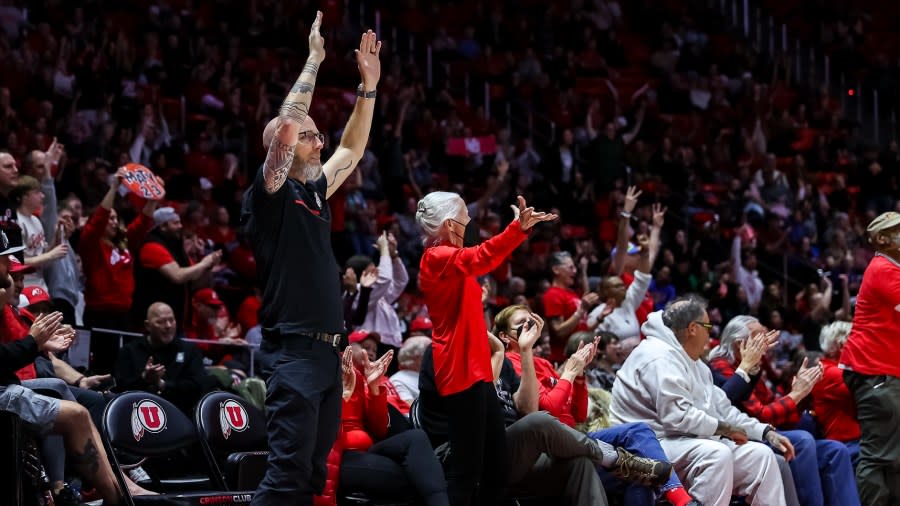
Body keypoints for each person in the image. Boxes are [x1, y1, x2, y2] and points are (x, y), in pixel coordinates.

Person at [242, 12, 382, 505]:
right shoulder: (270, 194)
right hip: (294, 355)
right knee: (283, 481)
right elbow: (286, 125)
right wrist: (315, 60)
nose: (318, 140)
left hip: (326, 355)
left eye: (317, 135)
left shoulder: (316, 190)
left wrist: (368, 88)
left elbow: (351, 147)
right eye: (309, 135)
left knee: (309, 481)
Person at [415, 190, 556, 505]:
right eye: (466, 214)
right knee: (468, 468)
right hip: (459, 367)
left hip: (474, 365)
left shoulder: (448, 257)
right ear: (452, 224)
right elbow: (482, 257)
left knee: (496, 464)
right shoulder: (437, 257)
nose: (470, 219)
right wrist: (516, 229)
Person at [494, 305, 696, 506]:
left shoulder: (543, 363)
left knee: (641, 467)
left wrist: (580, 376)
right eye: (521, 323)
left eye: (531, 320)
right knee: (635, 445)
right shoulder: (513, 361)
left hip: (572, 436)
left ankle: (677, 496)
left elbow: (578, 414)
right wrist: (569, 374)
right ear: (504, 336)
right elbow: (548, 411)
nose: (529, 325)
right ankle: (678, 497)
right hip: (551, 444)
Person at [611, 295, 792, 506]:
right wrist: (724, 429)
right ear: (693, 328)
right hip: (643, 446)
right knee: (717, 454)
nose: (711, 333)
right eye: (708, 326)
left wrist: (764, 432)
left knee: (760, 456)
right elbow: (677, 417)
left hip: (678, 441)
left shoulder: (694, 362)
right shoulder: (657, 357)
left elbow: (722, 408)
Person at [709, 315, 859, 506]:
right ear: (740, 344)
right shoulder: (721, 366)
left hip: (766, 431)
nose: (769, 344)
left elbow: (776, 409)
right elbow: (761, 415)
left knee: (835, 451)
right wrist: (795, 396)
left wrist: (801, 394)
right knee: (803, 440)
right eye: (762, 338)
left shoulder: (755, 366)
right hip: (743, 438)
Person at [839, 211, 900, 505]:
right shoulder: (883, 269)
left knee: (893, 455)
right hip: (874, 371)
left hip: (883, 370)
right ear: (883, 239)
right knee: (878, 457)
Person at [113, 302, 217, 415]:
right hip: (137, 413)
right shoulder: (129, 351)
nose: (168, 326)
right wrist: (144, 379)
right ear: (148, 325)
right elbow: (120, 388)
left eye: (171, 320)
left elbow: (197, 385)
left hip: (181, 414)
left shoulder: (190, 350)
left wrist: (162, 384)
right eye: (160, 322)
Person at [132, 206, 221, 328]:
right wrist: (204, 263)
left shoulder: (176, 247)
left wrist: (208, 266)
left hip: (177, 320)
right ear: (163, 226)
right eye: (175, 223)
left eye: (180, 222)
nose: (180, 226)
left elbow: (193, 276)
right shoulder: (152, 247)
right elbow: (178, 276)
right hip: (156, 322)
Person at [811, 321, 859, 464]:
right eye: (856, 341)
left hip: (856, 440)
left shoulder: (832, 369)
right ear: (840, 345)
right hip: (848, 443)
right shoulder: (831, 373)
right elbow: (870, 393)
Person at [389, 335, 431, 406]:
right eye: (430, 353)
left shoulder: (430, 377)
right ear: (418, 357)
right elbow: (408, 411)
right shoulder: (398, 380)